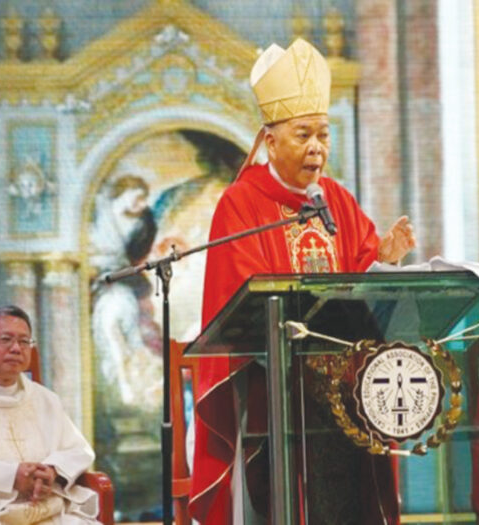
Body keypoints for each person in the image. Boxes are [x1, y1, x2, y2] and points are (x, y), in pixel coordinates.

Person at [190, 38, 415, 524]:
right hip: (277, 388)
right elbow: (245, 296)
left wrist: (386, 259)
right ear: (270, 140)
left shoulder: (334, 197)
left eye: (323, 134)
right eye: (303, 135)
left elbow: (361, 277)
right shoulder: (243, 203)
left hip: (350, 384)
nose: (317, 147)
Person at [0, 305, 100, 524]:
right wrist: (10, 476)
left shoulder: (45, 399)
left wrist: (52, 471)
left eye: (24, 341)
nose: (16, 348)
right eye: (6, 339)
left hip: (50, 511)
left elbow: (78, 450)